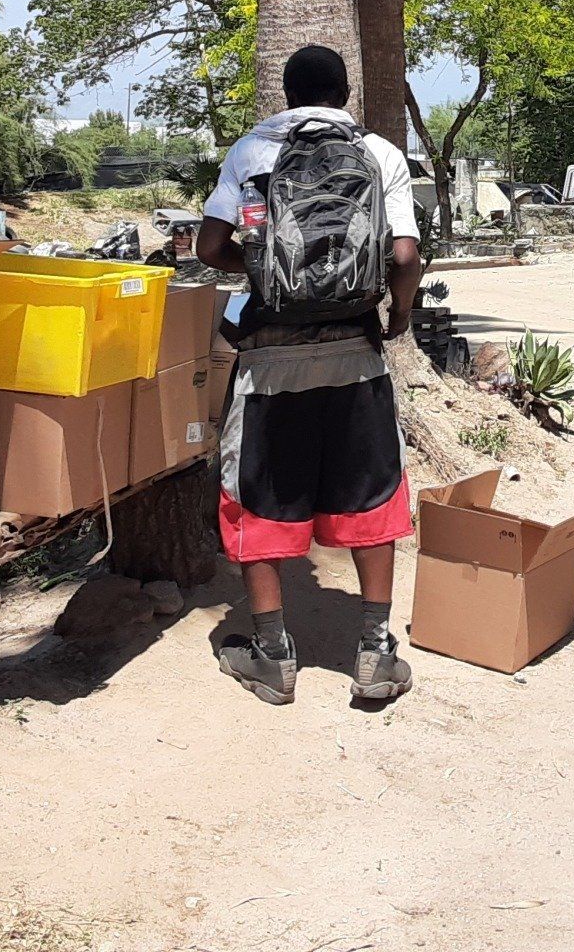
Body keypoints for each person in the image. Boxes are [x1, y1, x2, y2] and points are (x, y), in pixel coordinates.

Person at [196, 45, 423, 706]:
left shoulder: (252, 151)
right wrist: (399, 313)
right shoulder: (379, 153)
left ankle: (272, 656)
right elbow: (404, 254)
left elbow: (210, 248)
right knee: (372, 488)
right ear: (345, 93)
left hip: (270, 360)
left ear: (287, 94)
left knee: (259, 492)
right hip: (355, 353)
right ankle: (376, 651)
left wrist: (268, 272)